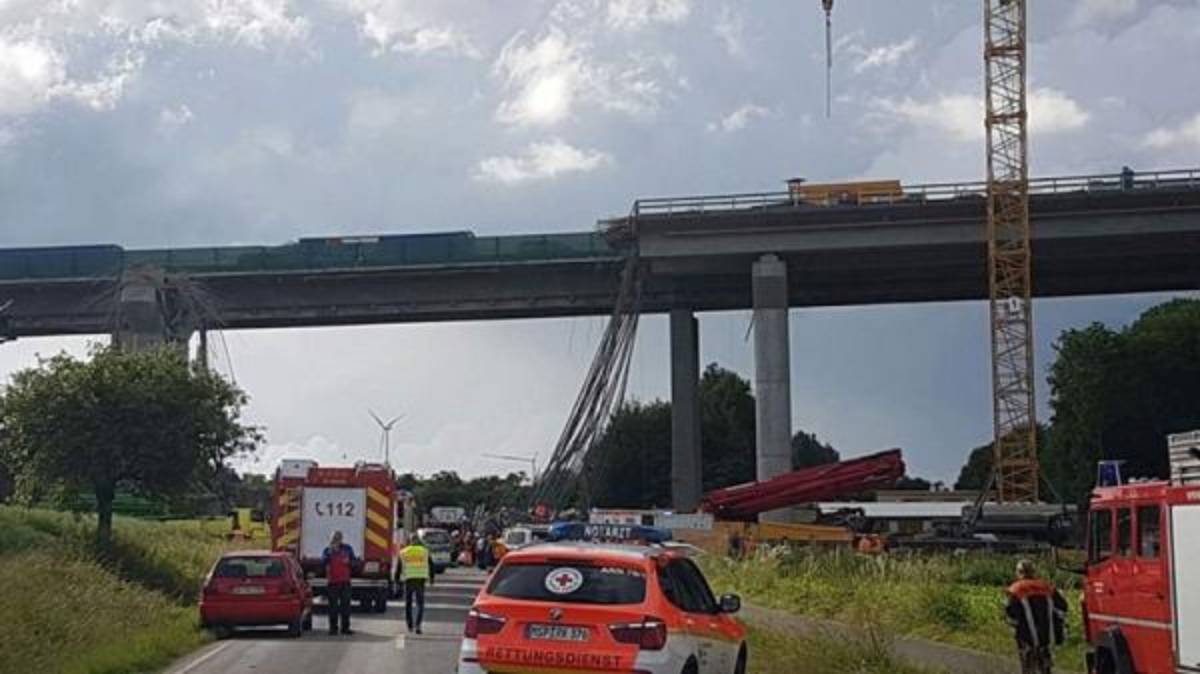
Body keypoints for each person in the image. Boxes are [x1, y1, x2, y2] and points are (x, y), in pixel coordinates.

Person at [1005, 559, 1068, 674]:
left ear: (1019, 573)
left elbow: (1010, 612)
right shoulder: (1047, 586)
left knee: (1028, 666)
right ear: (1033, 572)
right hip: (1047, 635)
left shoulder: (1016, 588)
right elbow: (1063, 606)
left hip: (1027, 636)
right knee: (1045, 666)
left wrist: (1014, 624)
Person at [322, 530, 357, 636]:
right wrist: (331, 552)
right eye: (334, 538)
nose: (336, 539)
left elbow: (354, 562)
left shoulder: (348, 549)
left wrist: (349, 562)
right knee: (333, 607)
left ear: (341, 539)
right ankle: (333, 628)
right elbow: (323, 562)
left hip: (345, 582)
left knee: (345, 606)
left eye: (338, 537)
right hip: (333, 582)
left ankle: (345, 628)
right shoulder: (327, 550)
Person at [399, 534, 434, 634]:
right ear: (418, 541)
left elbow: (399, 567)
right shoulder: (424, 551)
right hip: (420, 580)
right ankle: (418, 625)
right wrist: (432, 578)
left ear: (409, 541)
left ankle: (410, 625)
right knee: (420, 604)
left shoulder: (404, 552)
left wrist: (397, 580)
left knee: (408, 603)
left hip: (408, 579)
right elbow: (431, 565)